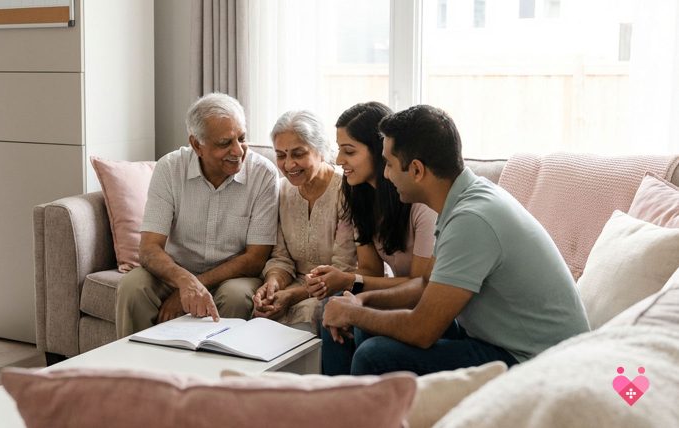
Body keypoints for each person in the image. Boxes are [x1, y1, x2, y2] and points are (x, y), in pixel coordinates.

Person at [321, 104, 590, 375]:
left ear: (416, 170)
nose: (387, 175)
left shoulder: (471, 219)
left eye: (389, 164)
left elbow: (422, 330)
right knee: (365, 330)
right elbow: (426, 285)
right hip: (500, 341)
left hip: (535, 359)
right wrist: (362, 303)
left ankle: (348, 415)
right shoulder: (461, 201)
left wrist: (353, 313)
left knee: (373, 355)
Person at [115, 93, 279, 338]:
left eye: (242, 138)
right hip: (176, 270)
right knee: (133, 285)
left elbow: (255, 258)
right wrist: (184, 282)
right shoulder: (169, 168)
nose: (238, 150)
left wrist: (196, 284)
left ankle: (217, 373)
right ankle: (139, 372)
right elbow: (149, 249)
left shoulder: (263, 174)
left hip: (234, 276)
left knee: (236, 295)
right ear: (196, 145)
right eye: (225, 143)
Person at [304, 102, 437, 301]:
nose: (339, 160)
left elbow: (419, 284)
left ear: (380, 151)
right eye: (339, 149)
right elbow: (371, 269)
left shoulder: (420, 202)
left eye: (349, 151)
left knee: (351, 316)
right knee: (334, 303)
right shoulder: (359, 195)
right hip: (398, 292)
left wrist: (348, 281)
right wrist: (336, 279)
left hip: (425, 300)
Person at [252, 111, 357, 329]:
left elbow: (343, 267)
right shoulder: (280, 191)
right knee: (261, 311)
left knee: (308, 315)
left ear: (321, 150)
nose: (289, 165)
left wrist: (292, 295)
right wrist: (272, 284)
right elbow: (280, 258)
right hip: (291, 285)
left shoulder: (347, 192)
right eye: (281, 155)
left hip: (334, 288)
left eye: (298, 154)